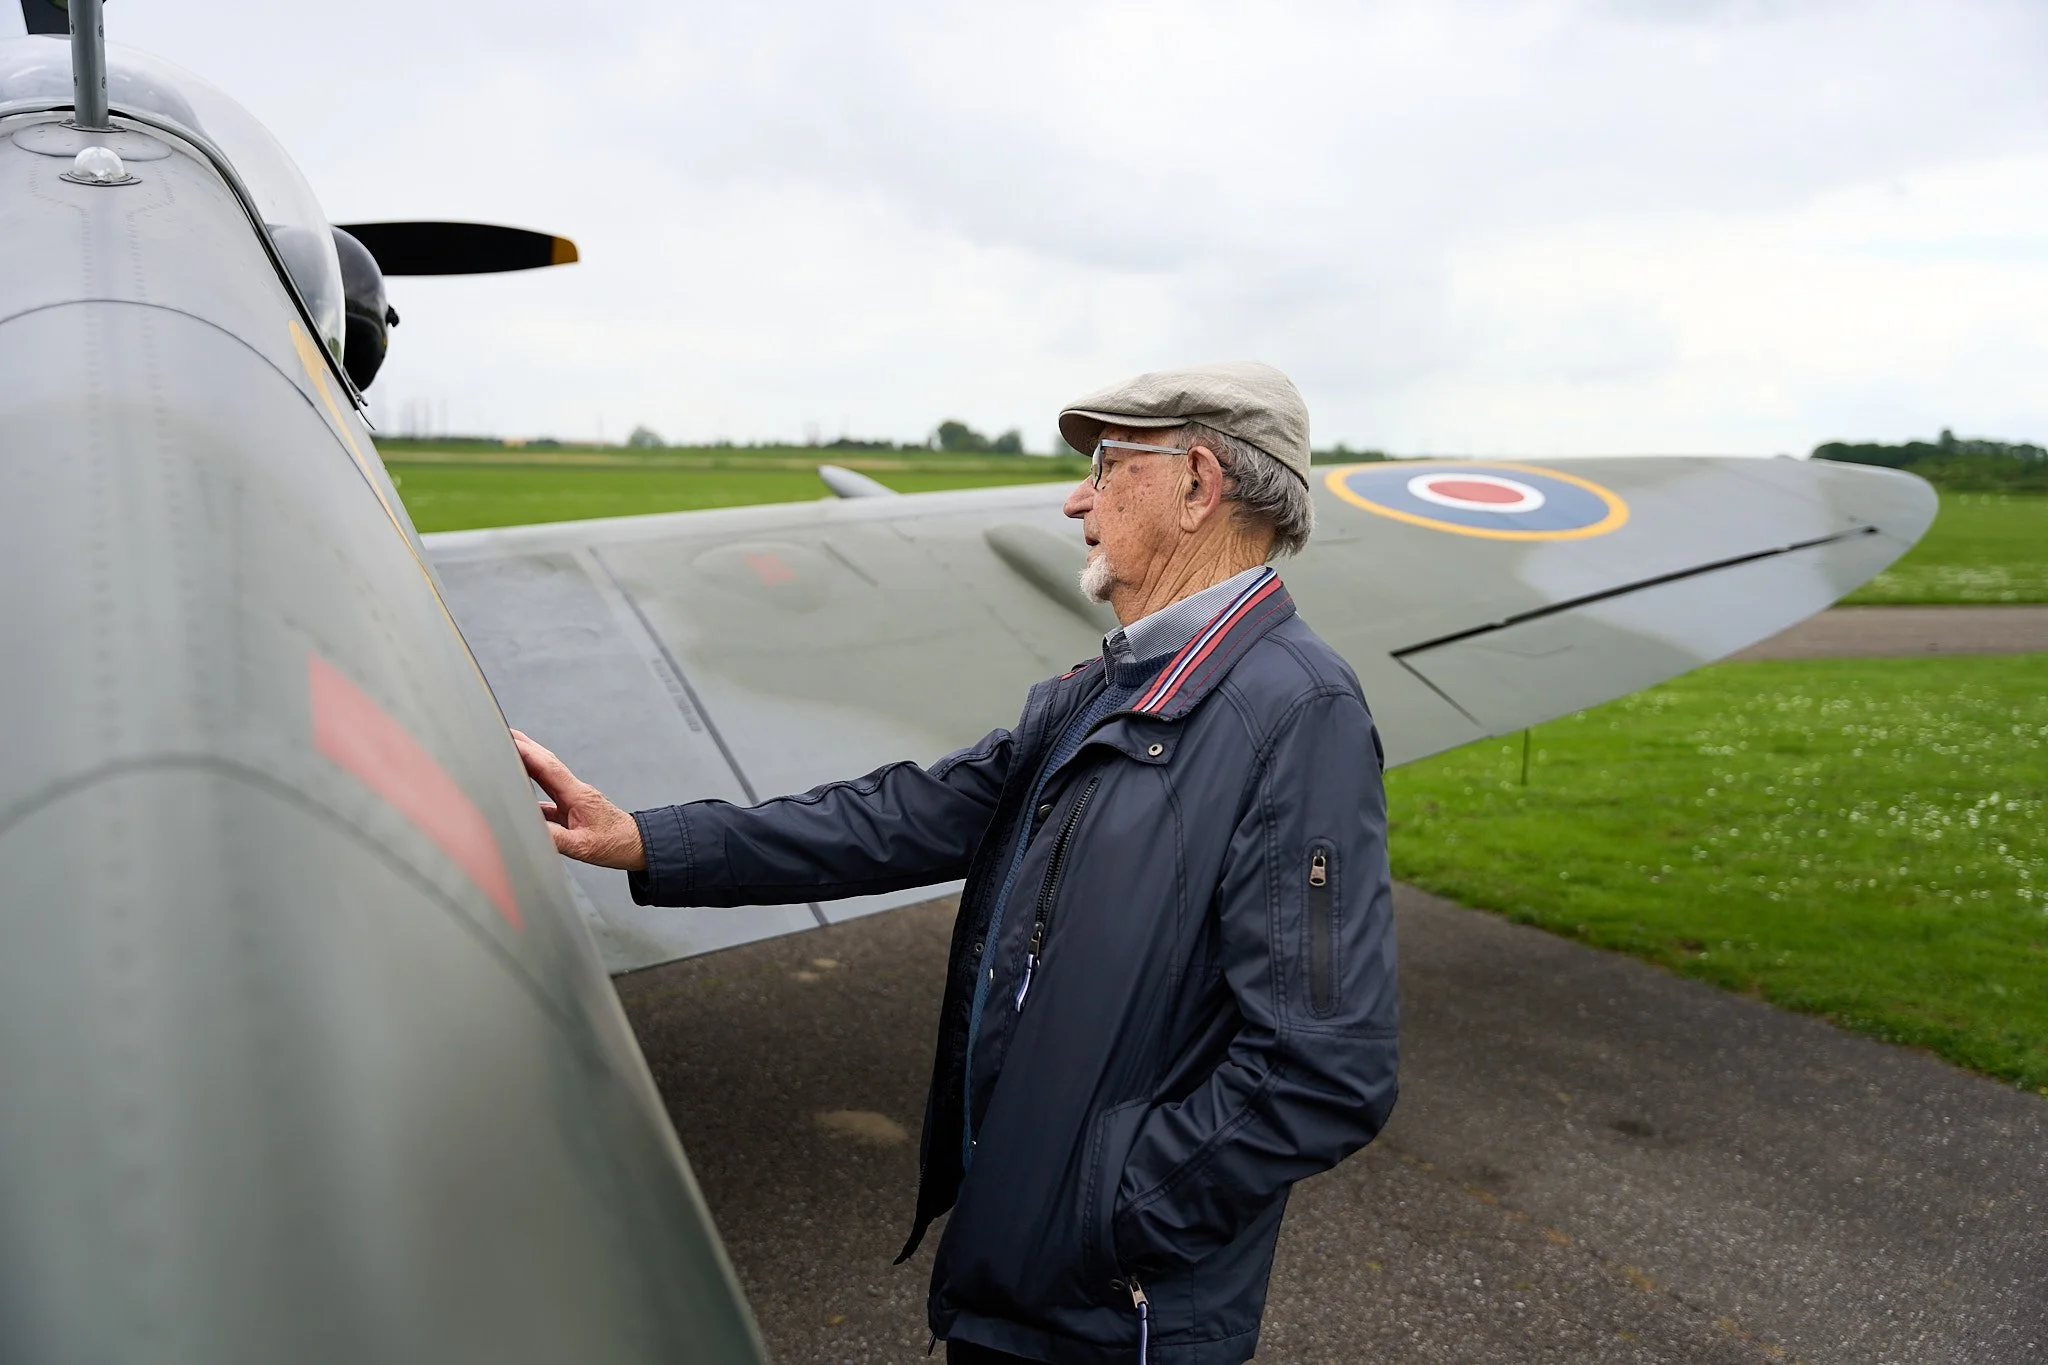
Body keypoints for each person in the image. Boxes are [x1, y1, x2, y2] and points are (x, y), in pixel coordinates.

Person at [515, 361, 1399, 1365]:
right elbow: (896, 818)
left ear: (1198, 485)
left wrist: (1104, 1219)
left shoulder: (1296, 713)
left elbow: (1322, 1069)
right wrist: (645, 839)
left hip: (1111, 1318)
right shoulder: (1106, 692)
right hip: (1018, 1288)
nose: (1077, 499)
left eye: (1109, 465)